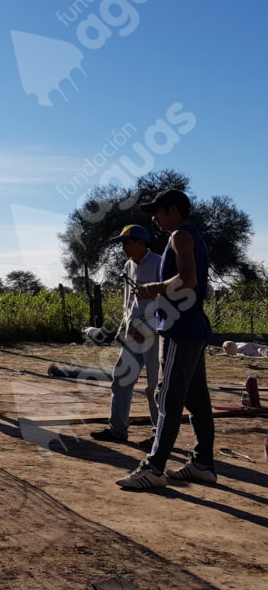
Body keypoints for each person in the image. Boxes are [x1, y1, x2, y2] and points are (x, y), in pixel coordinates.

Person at [117, 189, 217, 490]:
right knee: (197, 400)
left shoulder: (180, 236)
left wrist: (153, 288)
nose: (154, 218)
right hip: (193, 328)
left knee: (167, 398)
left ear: (173, 210)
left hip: (179, 330)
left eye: (157, 212)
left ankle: (154, 467)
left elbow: (188, 280)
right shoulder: (192, 237)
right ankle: (202, 464)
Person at [90, 225, 162, 446]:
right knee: (121, 380)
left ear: (142, 243)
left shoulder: (160, 264)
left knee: (155, 387)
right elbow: (128, 302)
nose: (124, 247)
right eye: (123, 243)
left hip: (155, 336)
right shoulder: (128, 265)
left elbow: (169, 303)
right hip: (132, 334)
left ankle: (159, 436)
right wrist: (123, 329)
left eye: (128, 242)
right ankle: (117, 430)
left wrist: (149, 327)